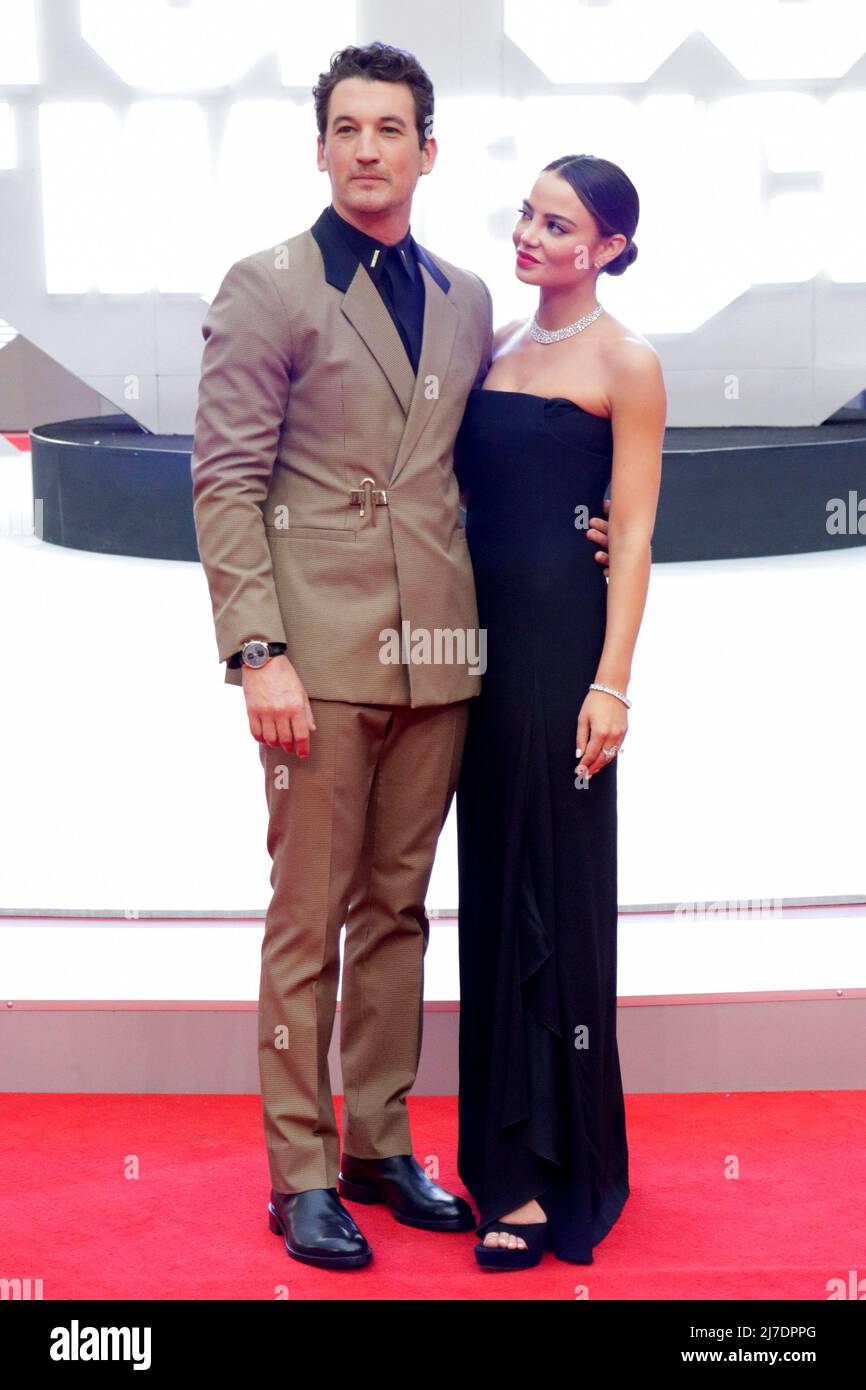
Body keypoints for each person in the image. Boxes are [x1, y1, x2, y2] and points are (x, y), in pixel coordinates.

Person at [190, 41, 614, 1271]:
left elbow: (481, 462)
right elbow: (224, 484)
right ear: (319, 147)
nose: (367, 148)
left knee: (396, 915)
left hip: (443, 656)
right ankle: (301, 1171)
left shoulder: (469, 297)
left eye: (391, 129)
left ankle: (378, 1143)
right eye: (346, 128)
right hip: (313, 659)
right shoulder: (264, 286)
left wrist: (578, 531)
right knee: (305, 917)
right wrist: (255, 649)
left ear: (428, 150)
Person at [454, 154, 665, 1269]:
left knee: (552, 887)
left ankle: (547, 1172)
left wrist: (611, 679)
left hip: (560, 658)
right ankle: (494, 1155)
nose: (529, 234)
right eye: (527, 215)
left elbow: (628, 534)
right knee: (492, 889)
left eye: (557, 223)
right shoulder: (488, 350)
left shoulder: (627, 363)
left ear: (610, 246)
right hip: (472, 664)